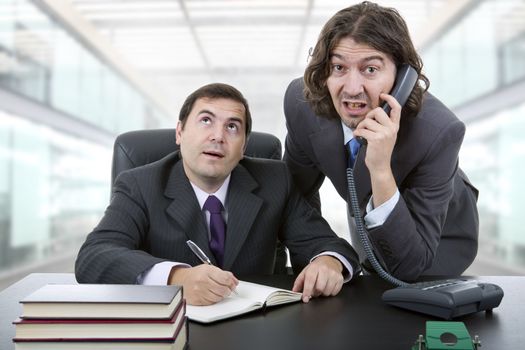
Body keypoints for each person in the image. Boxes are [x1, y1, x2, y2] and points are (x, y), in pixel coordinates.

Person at [76, 83, 360, 305]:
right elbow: (94, 256)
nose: (218, 136)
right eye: (206, 121)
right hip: (172, 328)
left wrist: (328, 262)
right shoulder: (140, 184)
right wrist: (178, 277)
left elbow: (331, 245)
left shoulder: (275, 180)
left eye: (232, 127)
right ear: (180, 132)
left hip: (252, 330)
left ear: (244, 146)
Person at [283, 1, 479, 281]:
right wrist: (322, 256)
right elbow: (294, 197)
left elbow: (411, 265)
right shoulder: (301, 103)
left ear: (401, 77)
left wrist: (380, 169)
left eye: (370, 70)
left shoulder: (438, 131)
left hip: (440, 236)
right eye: (339, 67)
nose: (351, 89)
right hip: (368, 217)